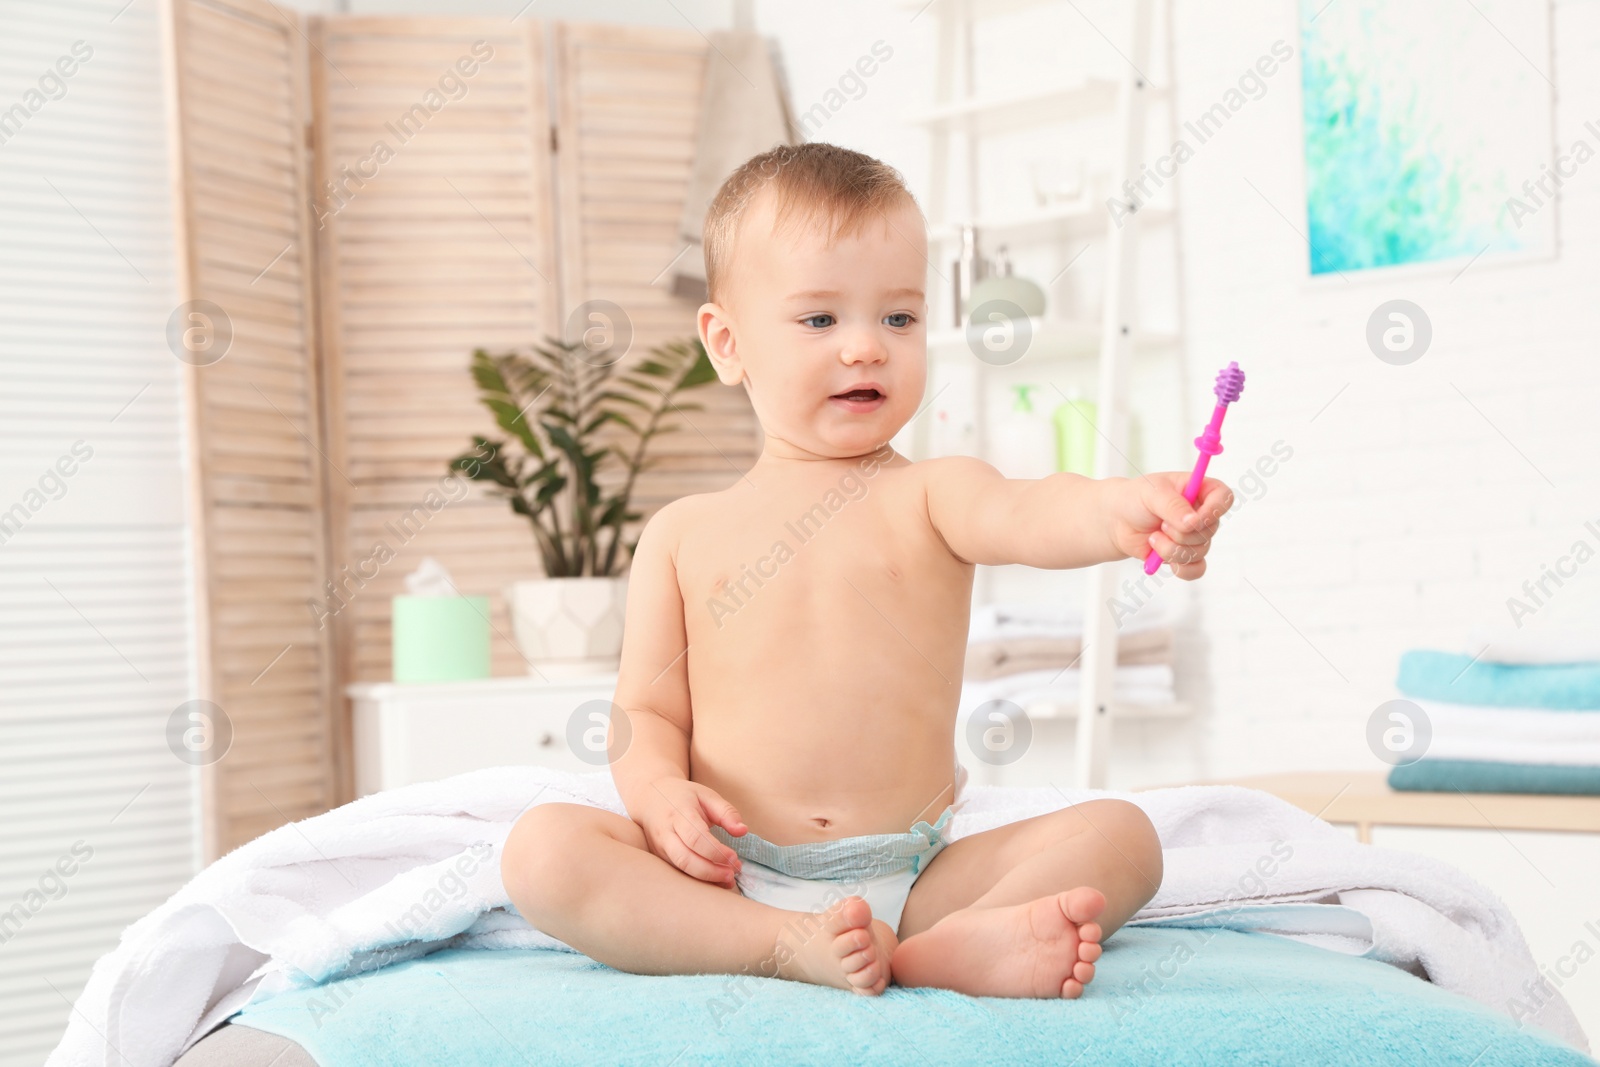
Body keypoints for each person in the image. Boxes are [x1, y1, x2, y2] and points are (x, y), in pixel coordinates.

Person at [502, 142, 1233, 999]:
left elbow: (1031, 512)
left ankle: (936, 949)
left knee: (1125, 834)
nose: (866, 349)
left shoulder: (933, 493)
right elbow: (645, 711)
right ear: (727, 342)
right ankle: (780, 942)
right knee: (542, 851)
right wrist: (658, 790)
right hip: (731, 876)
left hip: (917, 877)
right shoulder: (681, 534)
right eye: (821, 321)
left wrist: (1124, 509)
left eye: (899, 318)